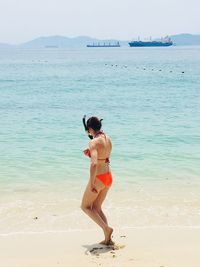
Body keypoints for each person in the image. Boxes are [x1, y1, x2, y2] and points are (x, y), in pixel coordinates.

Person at [81, 116, 114, 245]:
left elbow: (94, 164)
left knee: (85, 206)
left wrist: (91, 182)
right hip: (108, 176)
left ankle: (106, 229)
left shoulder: (93, 143)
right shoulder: (107, 138)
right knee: (97, 207)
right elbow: (105, 157)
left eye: (88, 131)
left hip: (98, 177)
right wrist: (91, 152)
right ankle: (108, 239)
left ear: (90, 129)